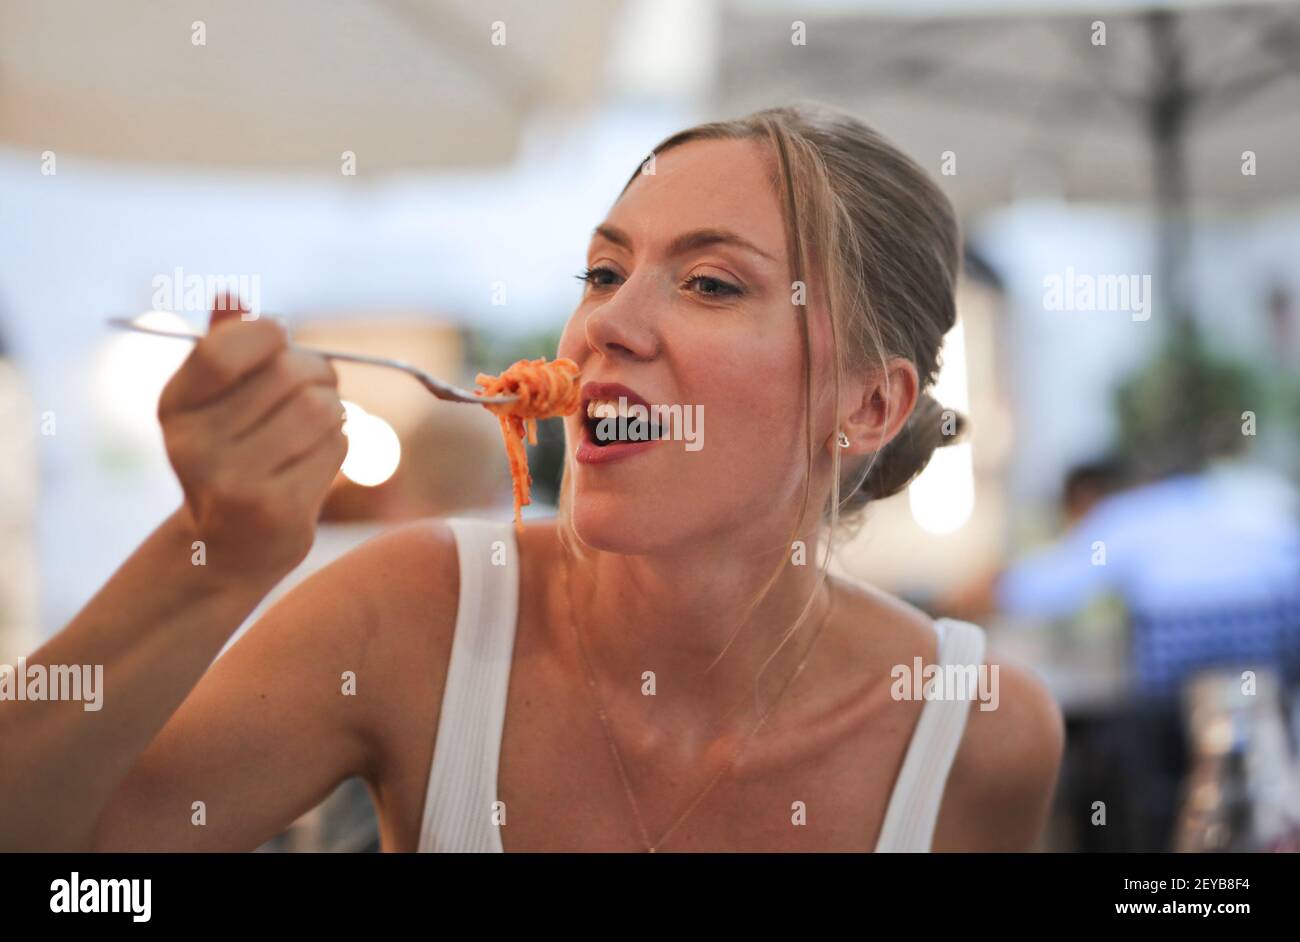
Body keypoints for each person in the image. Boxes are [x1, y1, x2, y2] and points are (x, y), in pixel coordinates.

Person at [0, 103, 1063, 853]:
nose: (606, 322)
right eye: (602, 272)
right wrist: (209, 558)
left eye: (706, 282)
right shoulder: (417, 612)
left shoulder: (975, 729)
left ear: (866, 406)